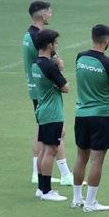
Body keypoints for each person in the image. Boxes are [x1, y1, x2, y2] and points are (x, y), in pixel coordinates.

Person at [71, 24, 109, 212]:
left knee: (81, 157)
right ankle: (90, 203)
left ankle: (76, 199)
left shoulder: (80, 57)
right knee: (97, 160)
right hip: (100, 116)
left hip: (81, 114)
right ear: (107, 41)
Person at [22, 1, 72, 186]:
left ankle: (48, 172)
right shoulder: (38, 39)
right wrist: (58, 64)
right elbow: (49, 66)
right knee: (52, 132)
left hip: (36, 89)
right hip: (43, 92)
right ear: (42, 16)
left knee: (48, 131)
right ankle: (56, 174)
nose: (51, 15)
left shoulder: (28, 34)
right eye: (49, 12)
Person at [31, 29, 70, 202]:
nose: (56, 46)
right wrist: (59, 66)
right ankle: (46, 191)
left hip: (43, 110)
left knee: (45, 150)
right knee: (51, 150)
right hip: (52, 112)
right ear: (49, 45)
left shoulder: (37, 63)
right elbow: (66, 87)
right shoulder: (48, 65)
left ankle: (41, 188)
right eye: (55, 43)